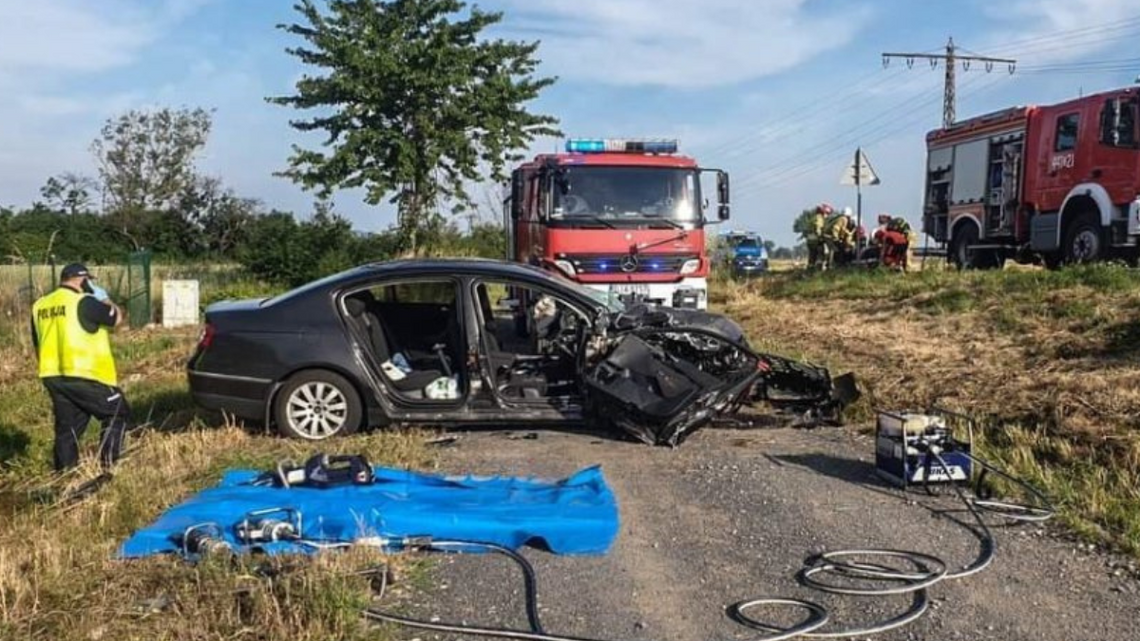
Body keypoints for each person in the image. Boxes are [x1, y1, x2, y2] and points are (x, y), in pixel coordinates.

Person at [31, 263, 130, 471]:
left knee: (68, 427)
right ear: (83, 280)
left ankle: (65, 473)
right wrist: (102, 298)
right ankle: (108, 467)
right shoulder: (84, 301)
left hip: (53, 375)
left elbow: (37, 341)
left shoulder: (40, 305)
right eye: (89, 281)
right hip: (85, 372)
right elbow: (116, 318)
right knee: (117, 411)